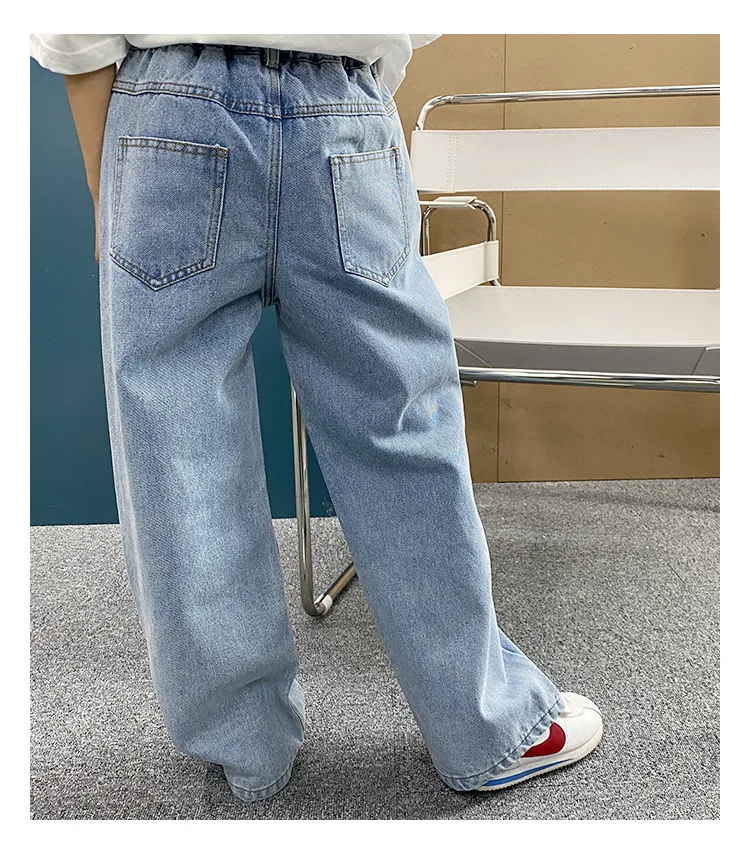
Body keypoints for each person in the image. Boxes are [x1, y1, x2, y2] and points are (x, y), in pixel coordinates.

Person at [30, 34, 603, 803]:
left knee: (178, 445)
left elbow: (77, 34)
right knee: (400, 425)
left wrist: (110, 190)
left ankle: (246, 745)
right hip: (340, 101)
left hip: (169, 115)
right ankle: (485, 725)